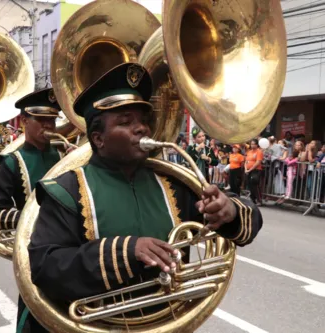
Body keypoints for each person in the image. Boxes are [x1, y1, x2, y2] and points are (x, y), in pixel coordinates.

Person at [28, 63, 263, 333]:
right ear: (98, 138)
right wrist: (125, 252)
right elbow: (45, 267)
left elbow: (248, 221)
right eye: (126, 122)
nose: (141, 129)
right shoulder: (67, 190)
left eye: (143, 121)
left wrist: (229, 211)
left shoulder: (174, 184)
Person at [0, 88, 66, 332]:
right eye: (41, 120)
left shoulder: (65, 153)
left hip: (71, 251)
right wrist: (30, 217)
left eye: (51, 120)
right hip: (35, 254)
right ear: (24, 122)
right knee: (35, 320)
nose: (48, 126)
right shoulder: (11, 162)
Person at [245, 139, 264, 205]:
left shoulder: (259, 152)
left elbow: (258, 162)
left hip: (256, 170)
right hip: (248, 170)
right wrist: (246, 169)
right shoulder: (249, 152)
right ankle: (253, 200)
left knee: (255, 185)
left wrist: (250, 170)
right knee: (250, 185)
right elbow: (246, 161)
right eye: (251, 144)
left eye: (254, 144)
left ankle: (259, 200)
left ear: (256, 145)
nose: (252, 145)